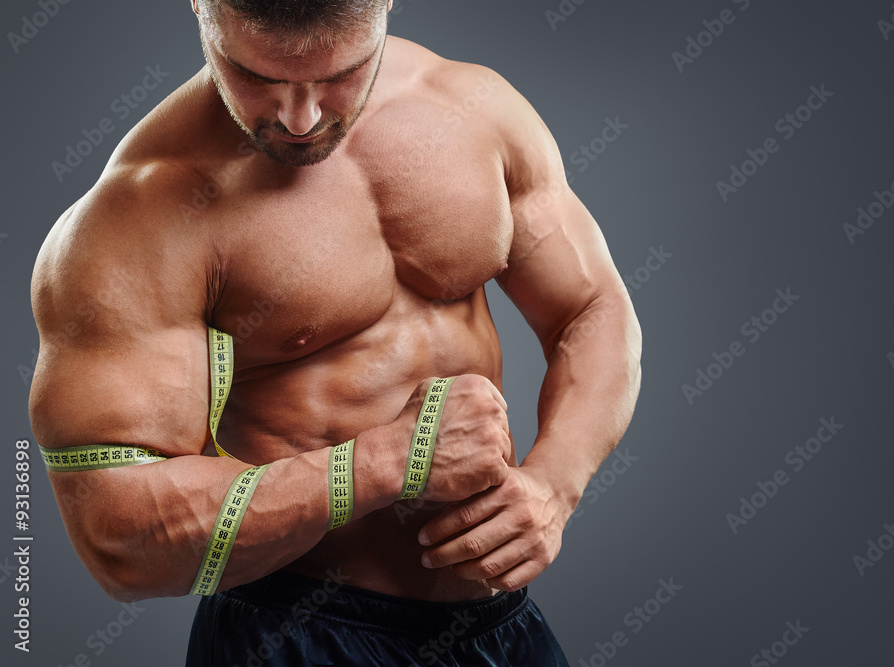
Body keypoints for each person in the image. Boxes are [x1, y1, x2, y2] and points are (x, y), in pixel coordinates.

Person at [29, 0, 641, 664]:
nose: (302, 118)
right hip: (295, 630)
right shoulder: (138, 215)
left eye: (341, 74)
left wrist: (555, 482)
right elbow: (117, 535)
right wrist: (380, 462)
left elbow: (592, 308)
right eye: (254, 75)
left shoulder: (477, 112)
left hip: (499, 623)